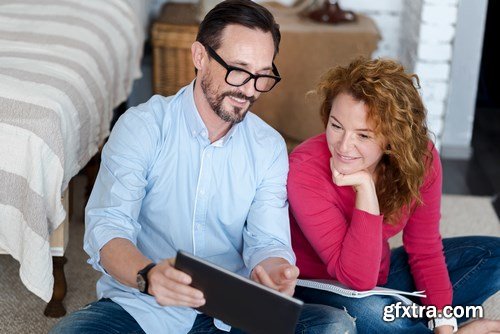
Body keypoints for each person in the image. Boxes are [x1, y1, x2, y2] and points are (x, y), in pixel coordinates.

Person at [49, 1, 356, 333]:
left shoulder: (268, 147)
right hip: (145, 305)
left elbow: (266, 240)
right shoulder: (142, 127)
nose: (250, 90)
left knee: (334, 326)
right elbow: (108, 228)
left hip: (235, 313)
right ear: (199, 56)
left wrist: (276, 270)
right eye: (238, 69)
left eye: (262, 75)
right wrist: (149, 275)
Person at [287, 57, 500, 334]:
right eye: (336, 125)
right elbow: (356, 279)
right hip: (320, 286)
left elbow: (424, 249)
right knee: (373, 314)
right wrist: (364, 187)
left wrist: (443, 323)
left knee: (492, 256)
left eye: (363, 135)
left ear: (393, 138)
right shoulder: (305, 169)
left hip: (379, 274)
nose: (343, 145)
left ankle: (415, 323)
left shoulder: (419, 158)